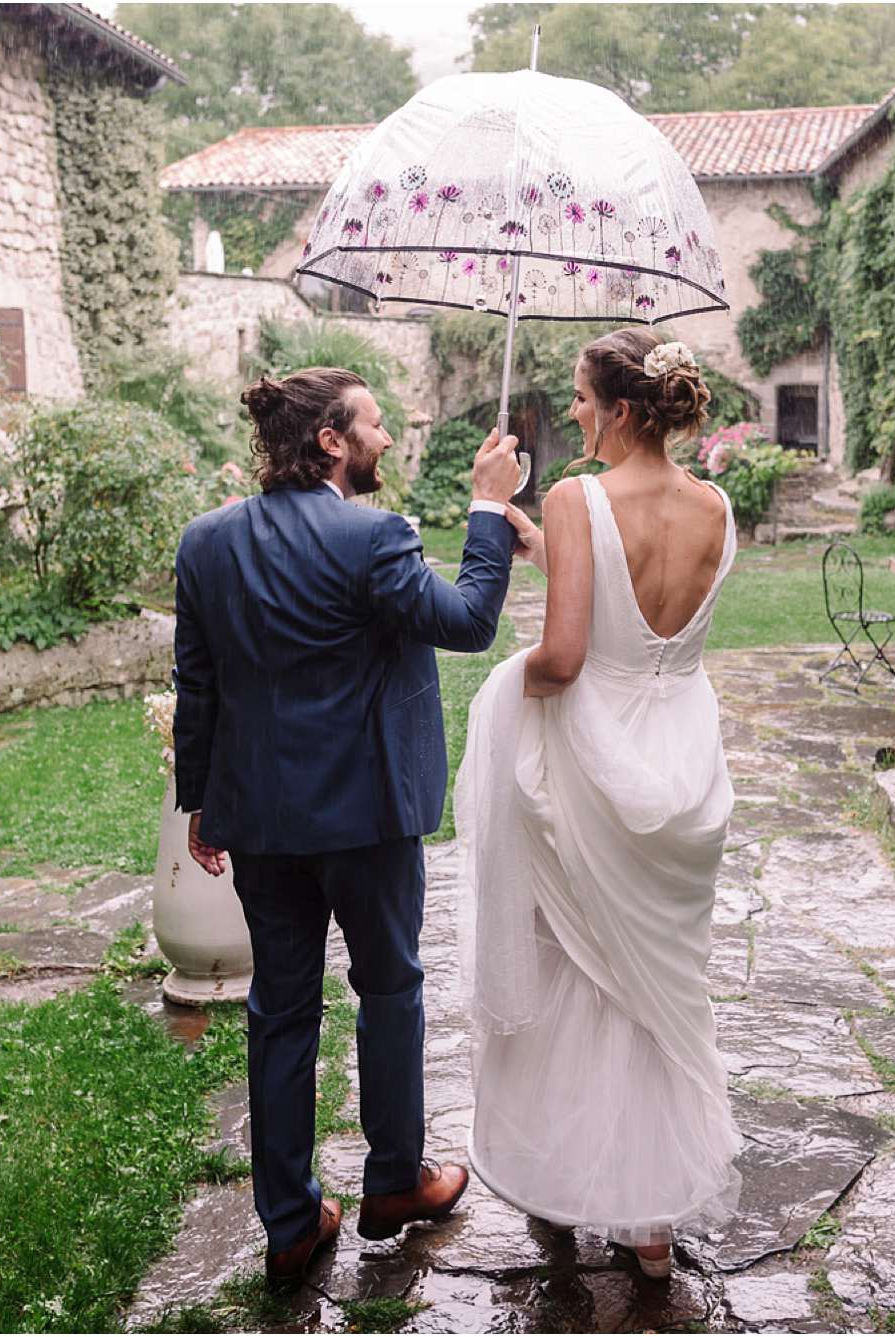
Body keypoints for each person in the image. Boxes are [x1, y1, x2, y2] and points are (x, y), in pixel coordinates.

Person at [171, 366, 527, 1288]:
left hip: (258, 822)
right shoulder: (376, 536)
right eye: (374, 423)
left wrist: (199, 799)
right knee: (390, 988)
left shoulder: (205, 542)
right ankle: (395, 1181)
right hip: (368, 817)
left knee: (279, 1009)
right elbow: (469, 620)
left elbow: (197, 681)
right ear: (330, 439)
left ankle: (291, 1221)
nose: (388, 435)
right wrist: (488, 511)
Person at [455, 329, 744, 1280]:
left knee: (581, 972)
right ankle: (650, 1223)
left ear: (619, 409)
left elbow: (573, 657)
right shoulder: (716, 506)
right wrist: (550, 551)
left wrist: (503, 684)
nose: (571, 410)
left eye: (581, 398)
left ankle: (578, 1182)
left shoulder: (578, 498)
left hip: (591, 756)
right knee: (655, 987)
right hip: (682, 758)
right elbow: (650, 629)